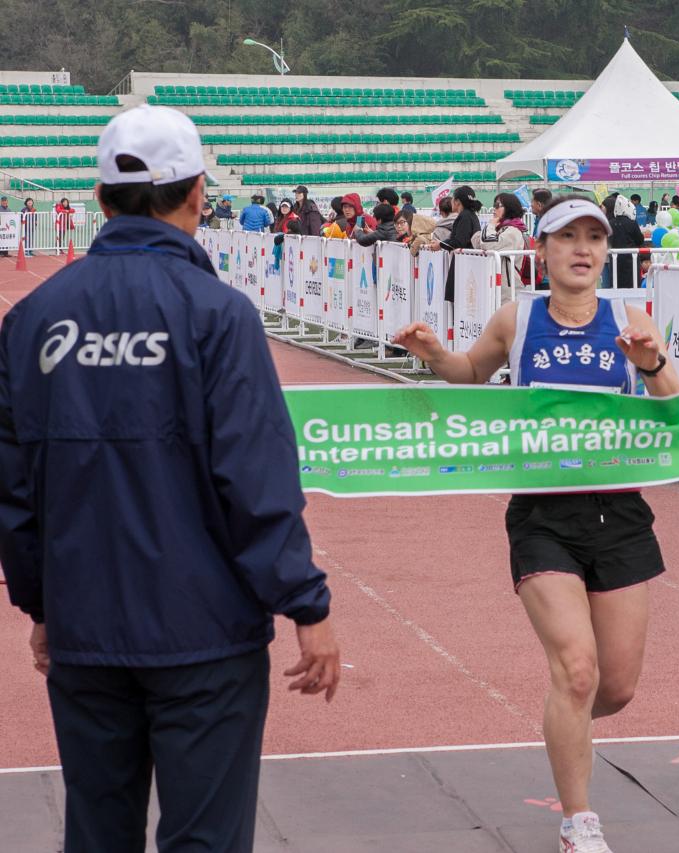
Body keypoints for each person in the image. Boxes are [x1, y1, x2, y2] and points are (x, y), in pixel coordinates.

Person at [0, 103, 340, 853]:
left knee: (97, 831)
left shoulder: (33, 318)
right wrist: (305, 604)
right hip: (206, 635)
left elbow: (15, 491)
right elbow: (256, 476)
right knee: (207, 840)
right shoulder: (219, 314)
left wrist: (40, 604)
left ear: (98, 201)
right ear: (195, 195)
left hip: (85, 627)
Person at [392, 195, 679, 853]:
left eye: (594, 238)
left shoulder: (630, 317)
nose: (582, 249)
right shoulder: (517, 318)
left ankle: (565, 720)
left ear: (606, 251)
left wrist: (653, 366)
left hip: (620, 512)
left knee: (614, 686)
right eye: (568, 237)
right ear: (543, 251)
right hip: (543, 515)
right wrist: (435, 354)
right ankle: (579, 822)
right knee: (576, 670)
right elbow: (471, 374)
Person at [605, 194, 645, 288]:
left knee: (616, 283)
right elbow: (640, 240)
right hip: (631, 258)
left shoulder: (610, 223)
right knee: (632, 283)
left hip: (615, 257)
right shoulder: (631, 223)